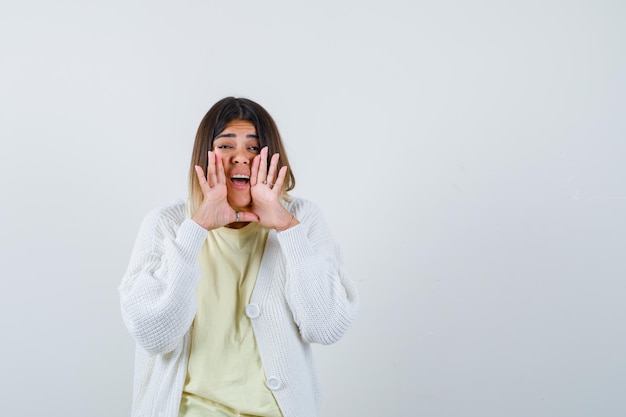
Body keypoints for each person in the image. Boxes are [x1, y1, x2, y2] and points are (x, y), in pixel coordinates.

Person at [119, 97, 359, 417]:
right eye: (225, 145)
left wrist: (287, 228)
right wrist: (197, 227)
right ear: (204, 155)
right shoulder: (167, 224)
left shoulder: (302, 219)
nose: (241, 158)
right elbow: (153, 334)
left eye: (255, 148)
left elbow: (327, 327)